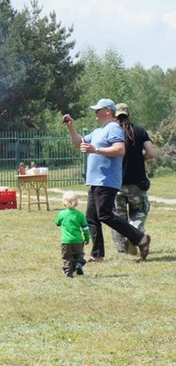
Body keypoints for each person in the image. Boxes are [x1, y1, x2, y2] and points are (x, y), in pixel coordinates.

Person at [63, 98, 151, 262]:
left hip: (106, 180)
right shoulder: (98, 131)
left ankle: (140, 238)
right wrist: (71, 127)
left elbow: (120, 149)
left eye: (98, 109)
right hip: (95, 181)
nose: (95, 112)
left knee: (105, 215)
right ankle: (97, 255)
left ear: (108, 111)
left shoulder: (114, 128)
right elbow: (79, 143)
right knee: (92, 218)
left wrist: (95, 149)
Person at [112, 103, 155, 255]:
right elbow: (151, 153)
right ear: (129, 114)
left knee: (118, 216)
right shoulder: (140, 131)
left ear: (114, 116)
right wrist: (139, 158)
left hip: (116, 182)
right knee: (138, 211)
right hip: (137, 181)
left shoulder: (111, 132)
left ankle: (122, 248)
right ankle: (135, 230)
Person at [55, 191, 90, 278]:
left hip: (66, 241)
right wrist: (87, 238)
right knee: (79, 254)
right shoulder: (80, 214)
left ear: (64, 202)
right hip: (78, 240)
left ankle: (68, 273)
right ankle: (78, 263)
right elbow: (85, 228)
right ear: (76, 202)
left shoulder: (62, 213)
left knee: (67, 257)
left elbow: (57, 223)